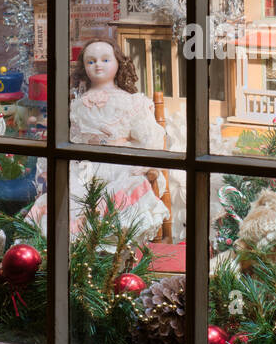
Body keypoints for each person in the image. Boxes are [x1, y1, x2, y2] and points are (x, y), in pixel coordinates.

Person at [27, 41, 170, 245]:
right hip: (85, 166)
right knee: (69, 195)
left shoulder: (131, 102)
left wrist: (142, 162)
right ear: (84, 67)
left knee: (123, 189)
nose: (98, 65)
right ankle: (77, 248)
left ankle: (110, 245)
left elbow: (150, 138)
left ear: (118, 63)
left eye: (105, 59)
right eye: (91, 61)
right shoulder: (76, 105)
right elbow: (69, 138)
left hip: (118, 163)